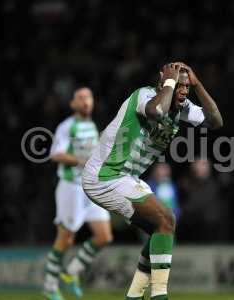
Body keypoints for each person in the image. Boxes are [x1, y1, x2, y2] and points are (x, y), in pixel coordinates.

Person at [82, 62, 223, 300]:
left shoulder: (181, 106)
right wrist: (169, 83)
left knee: (163, 228)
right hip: (105, 176)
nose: (184, 91)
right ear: (164, 81)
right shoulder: (144, 95)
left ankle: (134, 296)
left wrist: (197, 85)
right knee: (166, 218)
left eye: (186, 87)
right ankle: (160, 296)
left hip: (127, 178)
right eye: (179, 85)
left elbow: (216, 121)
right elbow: (157, 111)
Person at [43, 87, 113, 300]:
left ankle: (71, 272)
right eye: (81, 98)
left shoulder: (91, 125)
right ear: (73, 104)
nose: (85, 101)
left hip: (89, 187)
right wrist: (82, 160)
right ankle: (49, 286)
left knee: (104, 236)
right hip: (70, 188)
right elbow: (55, 155)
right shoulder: (67, 126)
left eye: (88, 97)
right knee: (66, 238)